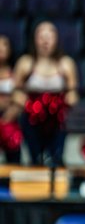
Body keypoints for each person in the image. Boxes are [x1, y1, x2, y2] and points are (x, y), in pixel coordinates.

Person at [12, 21, 79, 166]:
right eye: (41, 36)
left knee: (56, 159)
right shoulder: (25, 63)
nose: (45, 41)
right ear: (35, 39)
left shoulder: (66, 64)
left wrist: (57, 104)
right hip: (32, 118)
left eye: (49, 36)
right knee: (36, 159)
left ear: (56, 39)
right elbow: (16, 93)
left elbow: (73, 96)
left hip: (57, 119)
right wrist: (34, 106)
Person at [0, 35, 21, 163]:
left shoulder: (16, 72)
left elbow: (20, 99)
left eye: (4, 44)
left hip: (10, 118)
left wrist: (6, 119)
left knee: (13, 158)